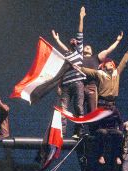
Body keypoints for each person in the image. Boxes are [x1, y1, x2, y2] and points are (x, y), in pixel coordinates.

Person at [51, 6, 86, 137]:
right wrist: (56, 39)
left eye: (75, 39)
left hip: (77, 82)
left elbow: (80, 32)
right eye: (71, 40)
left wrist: (81, 18)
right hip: (66, 85)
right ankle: (62, 132)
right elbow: (63, 48)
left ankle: (79, 130)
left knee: (78, 107)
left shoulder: (79, 51)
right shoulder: (68, 55)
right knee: (63, 109)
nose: (73, 39)